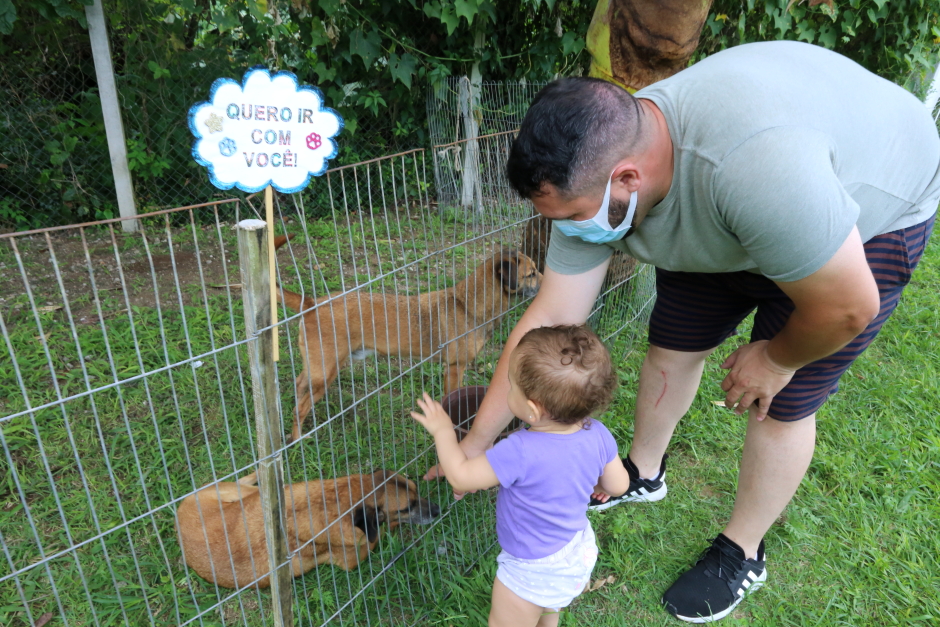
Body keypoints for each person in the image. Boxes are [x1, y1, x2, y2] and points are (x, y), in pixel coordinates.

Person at [425, 40, 940, 623]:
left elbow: (848, 307)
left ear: (627, 178)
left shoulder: (757, 171)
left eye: (570, 217)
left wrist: (775, 358)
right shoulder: (596, 173)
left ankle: (742, 550)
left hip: (864, 217)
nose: (563, 232)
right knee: (673, 343)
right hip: (730, 206)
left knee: (780, 402)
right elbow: (546, 322)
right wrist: (474, 445)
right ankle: (642, 473)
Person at [411, 324, 630, 627]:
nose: (507, 391)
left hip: (532, 567)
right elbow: (619, 485)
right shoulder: (598, 434)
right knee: (548, 609)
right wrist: (597, 483)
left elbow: (460, 477)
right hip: (574, 551)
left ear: (531, 409)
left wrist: (444, 432)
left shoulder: (520, 450)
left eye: (511, 386)